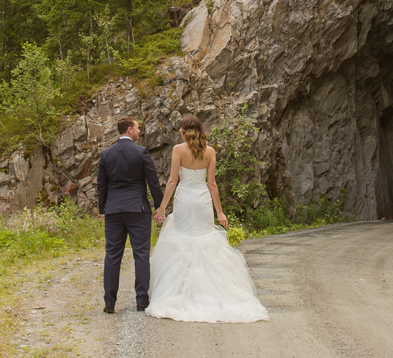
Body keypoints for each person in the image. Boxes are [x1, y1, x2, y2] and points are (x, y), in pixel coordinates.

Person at [145, 115, 269, 322]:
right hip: (202, 199)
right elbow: (212, 184)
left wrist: (162, 208)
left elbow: (173, 181)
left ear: (184, 130)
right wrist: (220, 212)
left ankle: (178, 291)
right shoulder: (210, 151)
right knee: (204, 238)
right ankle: (214, 292)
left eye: (181, 129)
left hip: (185, 199)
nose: (179, 131)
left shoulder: (178, 150)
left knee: (182, 238)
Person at [95, 116, 163, 313]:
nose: (140, 131)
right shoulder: (141, 152)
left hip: (114, 210)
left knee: (112, 255)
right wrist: (159, 207)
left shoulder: (106, 154)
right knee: (141, 254)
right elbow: (152, 181)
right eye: (137, 127)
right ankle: (142, 300)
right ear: (129, 130)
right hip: (137, 209)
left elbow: (102, 185)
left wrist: (104, 208)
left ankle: (109, 302)